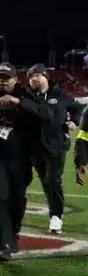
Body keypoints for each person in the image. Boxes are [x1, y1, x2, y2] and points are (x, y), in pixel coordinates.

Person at [0, 63, 52, 262]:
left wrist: (18, 102)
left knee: (17, 199)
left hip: (21, 158)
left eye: (7, 78)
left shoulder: (27, 96)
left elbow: (46, 115)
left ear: (15, 79)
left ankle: (13, 234)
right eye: (0, 78)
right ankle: (3, 244)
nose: (3, 82)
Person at [25, 64, 82, 234]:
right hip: (34, 146)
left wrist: (74, 121)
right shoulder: (27, 96)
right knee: (45, 181)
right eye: (31, 77)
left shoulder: (60, 94)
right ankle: (55, 211)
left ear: (45, 77)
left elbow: (77, 108)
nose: (34, 79)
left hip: (56, 144)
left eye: (37, 75)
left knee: (52, 180)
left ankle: (56, 216)